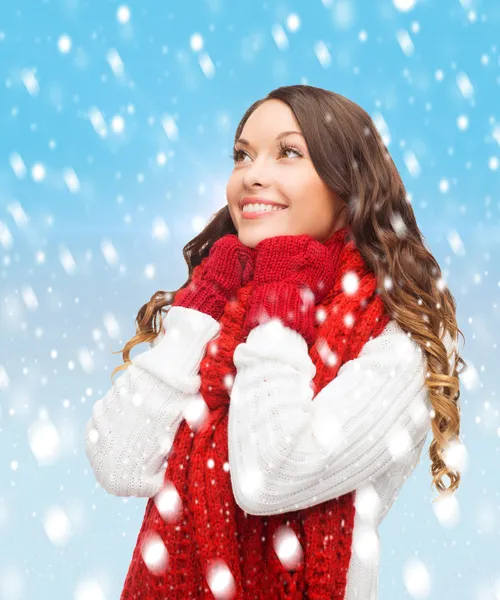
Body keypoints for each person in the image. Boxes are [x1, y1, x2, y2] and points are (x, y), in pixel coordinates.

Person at [84, 85, 466, 599]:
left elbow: (269, 477)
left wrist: (279, 302)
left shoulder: (396, 334)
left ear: (347, 184)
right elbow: (119, 460)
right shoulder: (225, 301)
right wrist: (200, 307)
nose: (252, 174)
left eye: (289, 152)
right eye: (242, 155)